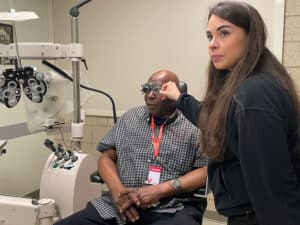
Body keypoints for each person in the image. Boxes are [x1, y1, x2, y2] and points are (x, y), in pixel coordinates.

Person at [159, 1, 300, 225]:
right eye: (209, 36)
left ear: (250, 37)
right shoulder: (244, 86)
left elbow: (270, 186)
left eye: (224, 33)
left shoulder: (254, 94)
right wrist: (179, 98)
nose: (212, 45)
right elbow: (214, 120)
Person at [55, 70, 207, 225]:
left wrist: (160, 190)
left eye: (157, 89)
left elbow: (206, 170)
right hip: (120, 205)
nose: (150, 95)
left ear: (175, 92)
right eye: (147, 89)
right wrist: (117, 191)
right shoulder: (130, 118)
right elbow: (106, 156)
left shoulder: (195, 125)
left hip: (171, 207)